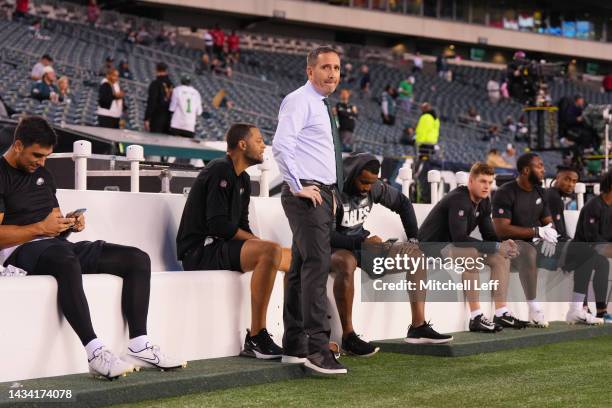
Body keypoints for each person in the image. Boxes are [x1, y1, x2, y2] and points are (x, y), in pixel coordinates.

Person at [0, 116, 185, 379]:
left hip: (54, 246)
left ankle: (139, 344)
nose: (41, 162)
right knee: (66, 260)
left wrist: (70, 224)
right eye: (37, 155)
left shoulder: (42, 173)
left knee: (136, 259)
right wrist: (41, 228)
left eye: (46, 157)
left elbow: (54, 219)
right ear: (17, 145)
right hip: (18, 253)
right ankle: (94, 351)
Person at [176, 123, 284, 359]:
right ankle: (256, 336)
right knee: (271, 252)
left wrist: (256, 241)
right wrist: (258, 243)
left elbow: (241, 226)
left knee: (290, 256)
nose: (263, 144)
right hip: (199, 251)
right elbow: (218, 225)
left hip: (219, 246)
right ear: (242, 144)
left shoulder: (244, 179)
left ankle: (300, 332)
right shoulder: (219, 169)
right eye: (259, 140)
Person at [272, 46, 347, 375]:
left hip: (321, 194)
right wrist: (295, 184)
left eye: (336, 68)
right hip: (307, 195)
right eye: (326, 67)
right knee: (316, 266)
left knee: (302, 269)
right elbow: (280, 145)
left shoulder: (321, 104)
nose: (332, 73)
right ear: (310, 71)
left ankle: (295, 345)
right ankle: (318, 348)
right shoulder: (300, 100)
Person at [331, 153, 453, 351]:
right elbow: (326, 236)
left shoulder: (373, 186)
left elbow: (403, 203)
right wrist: (362, 241)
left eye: (372, 183)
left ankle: (418, 327)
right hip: (334, 248)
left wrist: (414, 239)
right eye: (363, 182)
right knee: (347, 262)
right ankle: (348, 335)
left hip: (361, 244)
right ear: (350, 175)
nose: (368, 188)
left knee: (416, 257)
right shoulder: (333, 191)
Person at [419, 162, 525, 332]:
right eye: (482, 181)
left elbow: (489, 235)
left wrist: (504, 245)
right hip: (431, 246)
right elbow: (459, 239)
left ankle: (501, 312)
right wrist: (497, 245)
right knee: (471, 253)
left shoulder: (484, 201)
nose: (486, 186)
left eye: (490, 183)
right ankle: (476, 317)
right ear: (470, 181)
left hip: (450, 246)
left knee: (500, 257)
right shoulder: (459, 199)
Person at [492, 153, 556, 328]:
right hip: (509, 244)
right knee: (528, 252)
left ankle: (580, 307)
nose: (544, 169)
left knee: (576, 249)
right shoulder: (505, 192)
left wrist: (552, 237)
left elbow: (548, 222)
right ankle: (534, 307)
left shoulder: (540, 192)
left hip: (533, 242)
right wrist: (536, 231)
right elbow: (501, 229)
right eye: (539, 166)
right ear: (526, 170)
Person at [569, 171, 612, 324]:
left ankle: (601, 312)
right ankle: (590, 310)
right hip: (579, 250)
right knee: (599, 260)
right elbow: (591, 239)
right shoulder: (593, 206)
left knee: (602, 261)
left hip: (597, 250)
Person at [144, 62, 173, 134]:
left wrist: (147, 118)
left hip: (156, 118)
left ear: (156, 70)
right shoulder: (172, 85)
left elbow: (152, 102)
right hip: (169, 119)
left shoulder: (155, 83)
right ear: (166, 71)